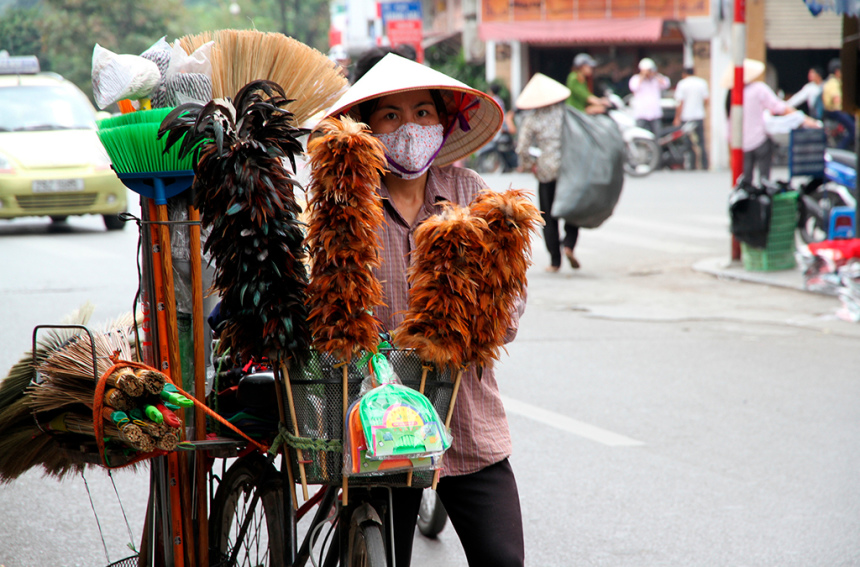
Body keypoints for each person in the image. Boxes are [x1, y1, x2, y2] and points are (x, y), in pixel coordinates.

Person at [324, 53, 524, 567]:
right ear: (367, 129)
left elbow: (511, 293)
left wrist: (477, 326)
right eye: (390, 116)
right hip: (377, 418)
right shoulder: (346, 202)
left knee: (503, 559)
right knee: (384, 557)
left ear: (442, 121)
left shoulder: (470, 192)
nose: (408, 128)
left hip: (466, 414)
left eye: (422, 113)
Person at [515, 72, 579, 272]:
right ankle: (568, 244)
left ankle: (555, 261)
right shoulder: (566, 113)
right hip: (568, 168)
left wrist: (529, 165)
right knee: (571, 210)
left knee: (548, 217)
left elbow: (522, 148)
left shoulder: (532, 119)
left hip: (546, 171)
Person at [723, 59, 796, 184]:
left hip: (741, 145)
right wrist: (800, 116)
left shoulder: (731, 94)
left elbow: (730, 124)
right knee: (764, 180)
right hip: (760, 141)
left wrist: (730, 148)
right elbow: (778, 107)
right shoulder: (758, 88)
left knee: (745, 181)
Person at [673, 67, 710, 170]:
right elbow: (706, 100)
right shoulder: (702, 83)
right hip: (699, 116)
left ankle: (692, 165)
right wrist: (701, 108)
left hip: (686, 117)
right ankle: (704, 165)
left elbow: (680, 102)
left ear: (684, 74)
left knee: (688, 143)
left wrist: (677, 118)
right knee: (701, 142)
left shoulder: (682, 84)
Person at [628, 57, 670, 136]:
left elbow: (666, 84)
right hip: (641, 113)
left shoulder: (656, 79)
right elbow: (634, 87)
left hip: (654, 113)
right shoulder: (636, 79)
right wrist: (643, 76)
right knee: (641, 135)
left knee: (657, 135)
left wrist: (654, 74)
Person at [821, 58, 856, 150]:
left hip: (835, 112)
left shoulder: (833, 81)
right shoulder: (833, 83)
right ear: (837, 71)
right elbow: (837, 100)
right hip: (835, 112)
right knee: (854, 130)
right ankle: (840, 149)